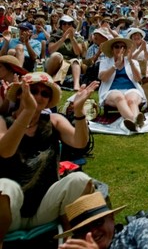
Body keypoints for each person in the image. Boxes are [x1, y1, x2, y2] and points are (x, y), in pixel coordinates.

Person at [0, 75, 98, 247]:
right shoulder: (3, 121)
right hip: (10, 211)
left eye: (45, 94)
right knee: (5, 187)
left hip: (44, 209)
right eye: (33, 91)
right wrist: (27, 113)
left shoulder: (54, 121)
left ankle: (71, 243)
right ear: (19, 94)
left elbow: (79, 142)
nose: (38, 97)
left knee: (79, 179)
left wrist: (79, 111)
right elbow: (5, 151)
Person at [56, 192, 148, 249]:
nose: (93, 232)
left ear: (111, 218)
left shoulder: (138, 228)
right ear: (77, 237)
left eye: (98, 222)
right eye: (84, 230)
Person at [98, 37, 146, 132]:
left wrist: (131, 62)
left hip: (131, 89)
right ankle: (135, 120)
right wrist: (115, 65)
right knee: (119, 98)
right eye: (117, 46)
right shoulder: (105, 62)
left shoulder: (133, 62)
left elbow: (138, 79)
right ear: (112, 49)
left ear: (125, 49)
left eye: (122, 47)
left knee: (131, 101)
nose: (120, 49)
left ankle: (134, 123)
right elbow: (103, 78)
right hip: (111, 90)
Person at [46, 15, 84, 91]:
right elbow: (51, 50)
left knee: (75, 61)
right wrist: (62, 38)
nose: (66, 25)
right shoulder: (54, 36)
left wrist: (72, 39)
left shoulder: (77, 37)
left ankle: (76, 85)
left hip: (70, 61)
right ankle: (47, 79)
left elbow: (78, 53)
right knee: (56, 55)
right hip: (57, 62)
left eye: (69, 24)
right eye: (64, 23)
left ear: (72, 26)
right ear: (61, 25)